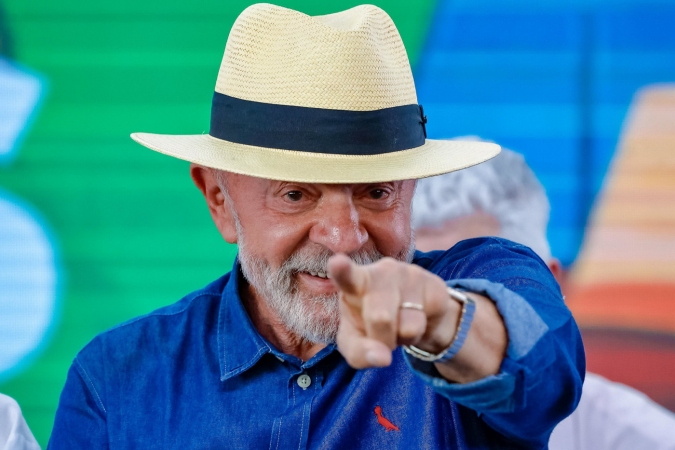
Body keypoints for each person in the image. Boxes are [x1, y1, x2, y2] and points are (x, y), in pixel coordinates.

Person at [48, 4, 583, 449]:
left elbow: (546, 364)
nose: (344, 238)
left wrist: (441, 320)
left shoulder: (481, 274)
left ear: (411, 192)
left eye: (376, 192)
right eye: (296, 195)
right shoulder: (117, 383)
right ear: (219, 200)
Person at [413, 147, 675, 450]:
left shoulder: (636, 439)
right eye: (417, 290)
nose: (442, 320)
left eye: (480, 298)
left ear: (550, 287)